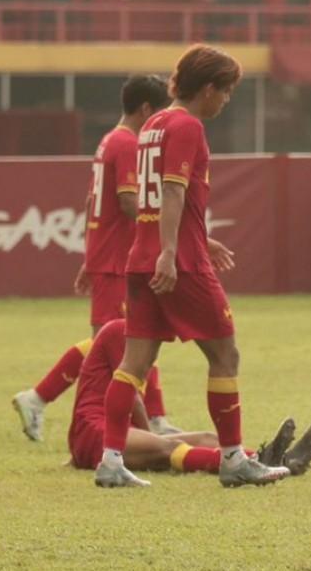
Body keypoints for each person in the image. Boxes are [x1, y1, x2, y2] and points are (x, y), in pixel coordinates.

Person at [93, 43, 291, 489]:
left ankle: (110, 461)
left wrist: (193, 239)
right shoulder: (187, 126)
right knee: (225, 354)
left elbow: (156, 200)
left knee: (133, 363)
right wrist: (172, 251)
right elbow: (172, 190)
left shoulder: (153, 124)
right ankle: (233, 459)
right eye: (226, 91)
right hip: (179, 264)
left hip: (141, 259)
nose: (226, 100)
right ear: (207, 89)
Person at [12, 75, 182, 442]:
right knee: (123, 340)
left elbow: (92, 203)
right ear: (146, 110)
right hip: (117, 261)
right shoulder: (128, 144)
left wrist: (90, 256)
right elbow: (126, 201)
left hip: (110, 257)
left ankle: (155, 418)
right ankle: (38, 397)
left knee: (139, 333)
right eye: (160, 115)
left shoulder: (109, 140)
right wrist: (167, 223)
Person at [67, 319, 311, 482]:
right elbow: (132, 398)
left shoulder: (142, 344)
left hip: (113, 431)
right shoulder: (119, 331)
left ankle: (271, 460)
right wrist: (150, 438)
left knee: (206, 438)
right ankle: (256, 464)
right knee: (169, 447)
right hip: (95, 431)